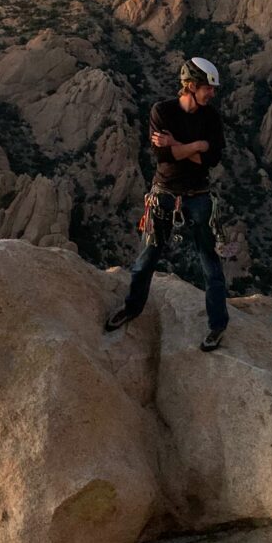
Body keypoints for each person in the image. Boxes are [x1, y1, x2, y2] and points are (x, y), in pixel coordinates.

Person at [105, 57, 229, 351]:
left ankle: (217, 325)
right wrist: (197, 146)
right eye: (208, 88)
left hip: (198, 195)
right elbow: (163, 156)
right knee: (146, 257)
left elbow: (212, 158)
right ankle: (132, 308)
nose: (212, 94)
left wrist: (178, 145)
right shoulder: (162, 111)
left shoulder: (211, 117)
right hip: (165, 194)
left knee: (210, 263)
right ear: (191, 86)